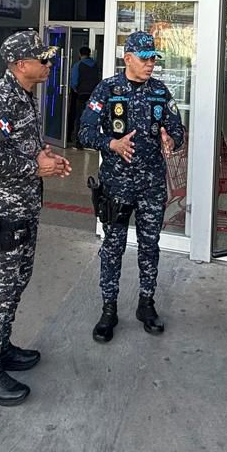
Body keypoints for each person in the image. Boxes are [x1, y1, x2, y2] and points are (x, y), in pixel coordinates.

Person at [0, 30, 72, 406]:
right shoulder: (0, 98)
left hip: (24, 207)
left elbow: (15, 146)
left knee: (17, 282)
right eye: (41, 59)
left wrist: (43, 154)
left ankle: (2, 349)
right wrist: (35, 166)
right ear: (19, 64)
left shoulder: (24, 95)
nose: (48, 65)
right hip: (4, 211)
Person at [79, 30, 185, 342]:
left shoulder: (160, 92)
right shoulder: (107, 89)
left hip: (152, 185)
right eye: (145, 59)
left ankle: (146, 304)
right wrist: (111, 143)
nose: (151, 64)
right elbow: (84, 131)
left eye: (154, 59)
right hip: (116, 186)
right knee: (113, 247)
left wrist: (172, 139)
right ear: (128, 59)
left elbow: (178, 127)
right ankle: (108, 309)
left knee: (150, 247)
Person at [68, 45, 99, 143]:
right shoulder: (95, 65)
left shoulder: (78, 65)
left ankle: (78, 142)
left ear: (80, 54)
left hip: (81, 95)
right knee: (94, 116)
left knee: (79, 117)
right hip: (94, 97)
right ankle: (92, 141)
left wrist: (76, 90)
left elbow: (74, 82)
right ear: (89, 54)